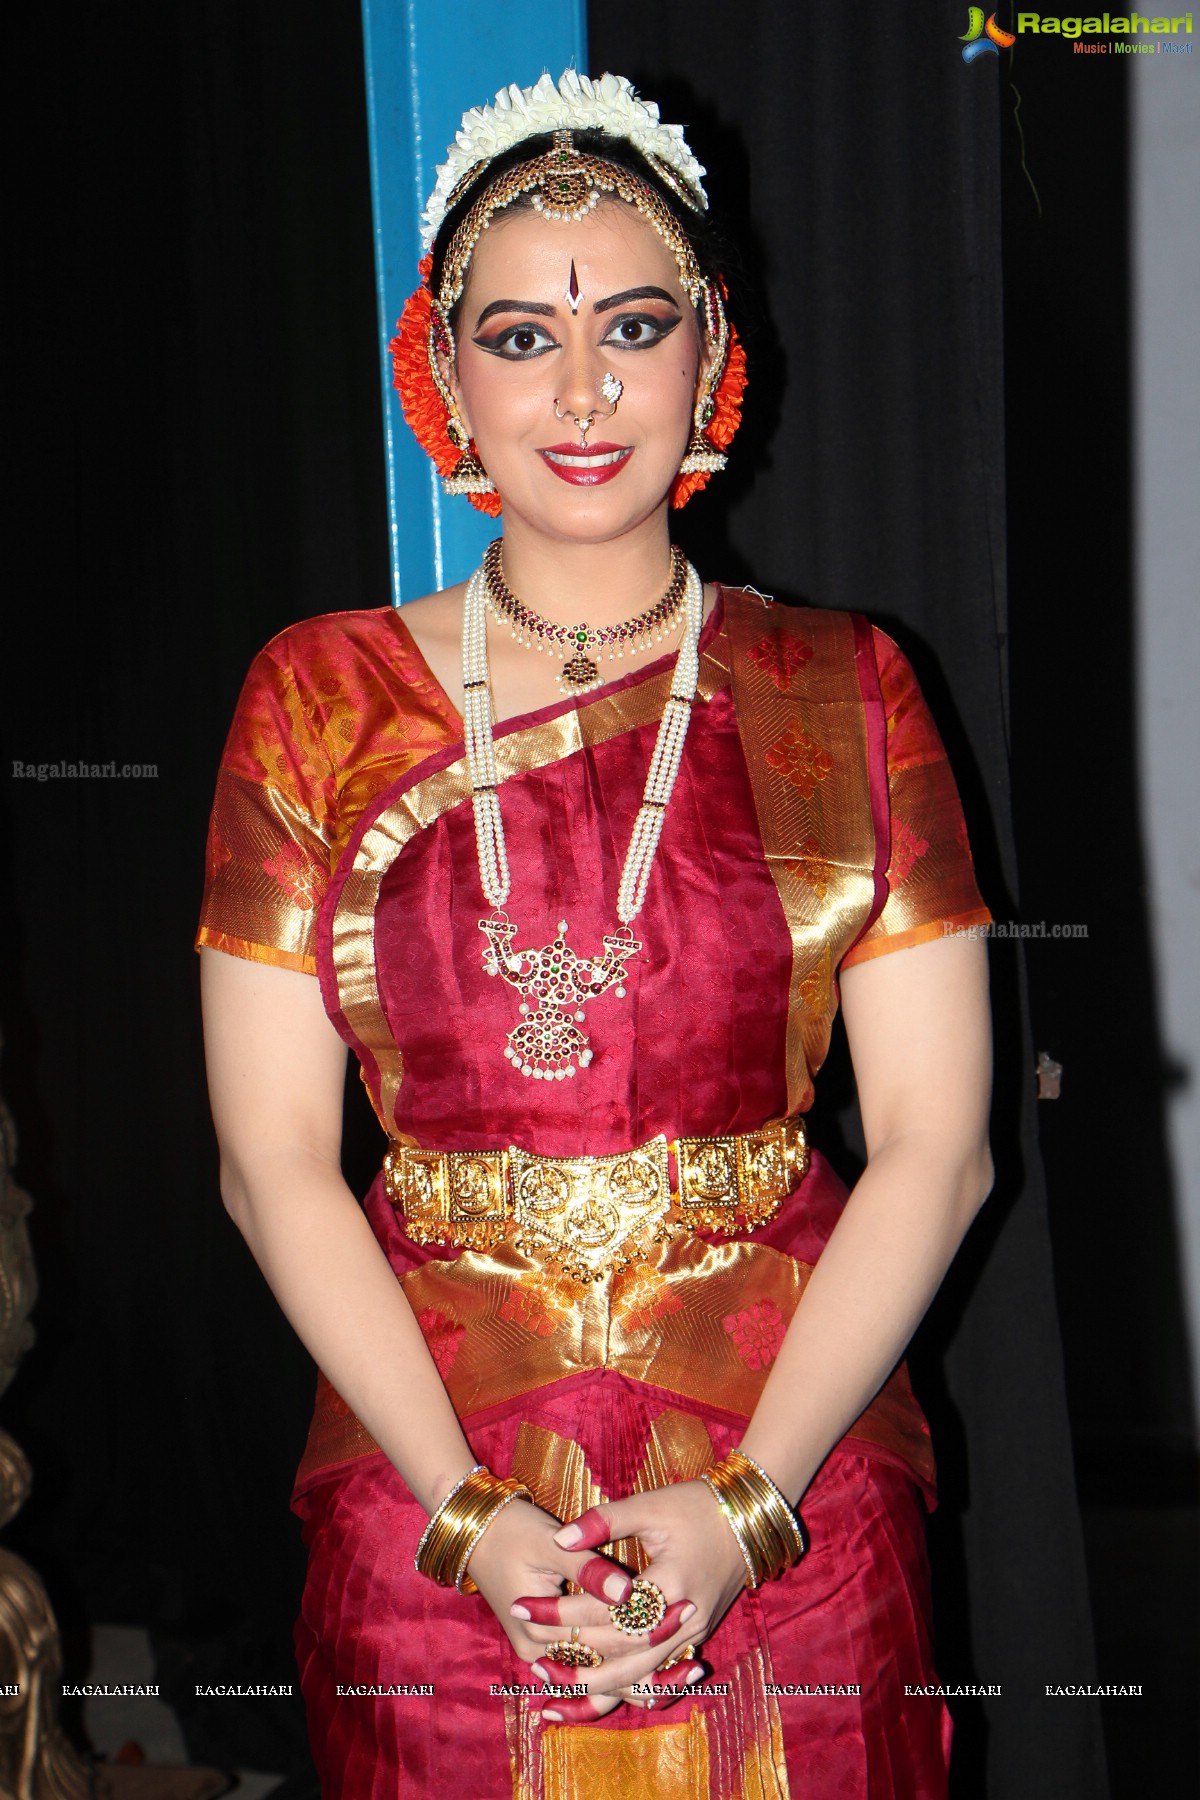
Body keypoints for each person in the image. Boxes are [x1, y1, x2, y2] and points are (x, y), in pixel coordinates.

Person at [198, 70, 993, 1800]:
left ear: (712, 358)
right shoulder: (319, 699)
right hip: (432, 1470)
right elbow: (273, 1162)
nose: (579, 389)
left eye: (632, 325)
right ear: (445, 373)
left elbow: (938, 1151)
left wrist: (749, 1512)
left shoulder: (841, 692)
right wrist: (467, 1515)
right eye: (517, 334)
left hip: (795, 1464)